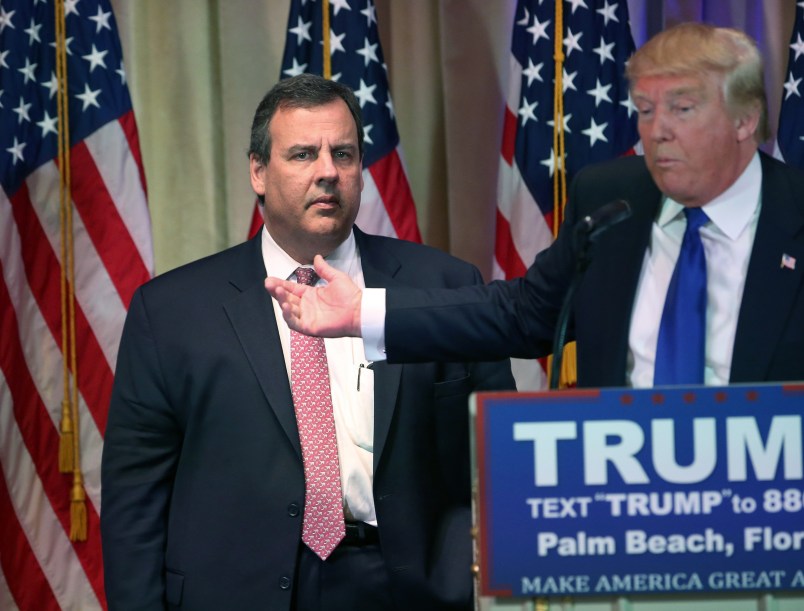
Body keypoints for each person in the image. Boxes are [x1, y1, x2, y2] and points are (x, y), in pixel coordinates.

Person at [100, 73, 515, 611]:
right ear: (258, 171)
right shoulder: (172, 311)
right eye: (302, 154)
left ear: (362, 170)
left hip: (413, 589)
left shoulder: (444, 287)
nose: (327, 172)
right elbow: (135, 495)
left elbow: (498, 462)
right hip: (239, 591)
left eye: (343, 154)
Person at [266, 23, 804, 388]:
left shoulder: (792, 215)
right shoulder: (613, 200)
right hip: (628, 515)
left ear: (744, 119)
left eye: (682, 108)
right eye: (644, 109)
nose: (657, 131)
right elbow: (522, 314)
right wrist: (364, 312)